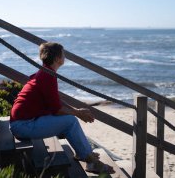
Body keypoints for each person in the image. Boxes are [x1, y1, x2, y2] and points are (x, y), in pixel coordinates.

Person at [10, 42, 114, 174]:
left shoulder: (45, 72)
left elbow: (56, 102)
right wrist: (77, 113)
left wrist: (76, 111)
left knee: (70, 118)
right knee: (70, 121)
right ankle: (91, 162)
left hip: (23, 122)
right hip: (23, 126)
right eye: (63, 54)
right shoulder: (48, 76)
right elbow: (57, 110)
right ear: (57, 58)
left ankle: (83, 153)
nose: (65, 56)